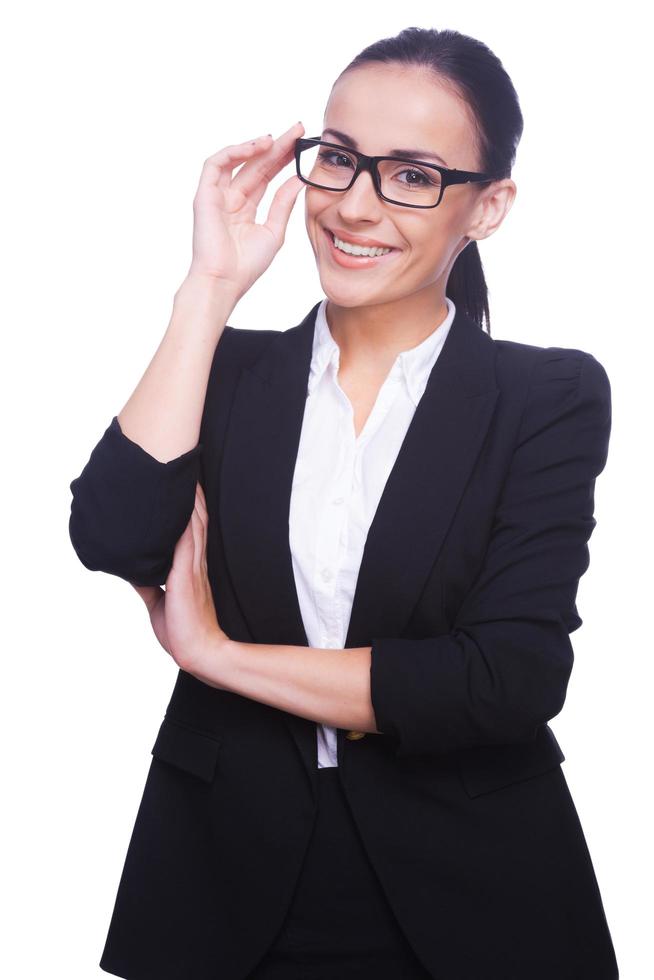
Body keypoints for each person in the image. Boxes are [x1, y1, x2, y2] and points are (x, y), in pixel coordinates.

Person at [68, 25, 620, 980]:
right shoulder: (225, 371)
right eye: (340, 161)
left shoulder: (547, 397)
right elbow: (113, 535)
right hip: (220, 889)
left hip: (480, 898)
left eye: (412, 175)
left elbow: (508, 679)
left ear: (487, 208)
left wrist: (218, 657)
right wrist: (209, 287)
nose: (357, 207)